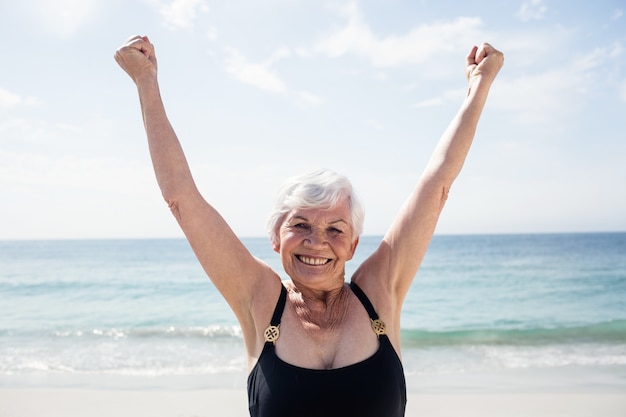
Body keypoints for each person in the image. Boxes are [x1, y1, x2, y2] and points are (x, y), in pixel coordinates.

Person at [114, 35, 504, 417]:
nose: (317, 242)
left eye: (335, 229)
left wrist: (479, 87)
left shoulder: (380, 292)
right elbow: (182, 199)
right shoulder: (259, 298)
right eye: (300, 224)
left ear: (352, 245)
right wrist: (146, 83)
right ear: (275, 237)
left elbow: (437, 186)